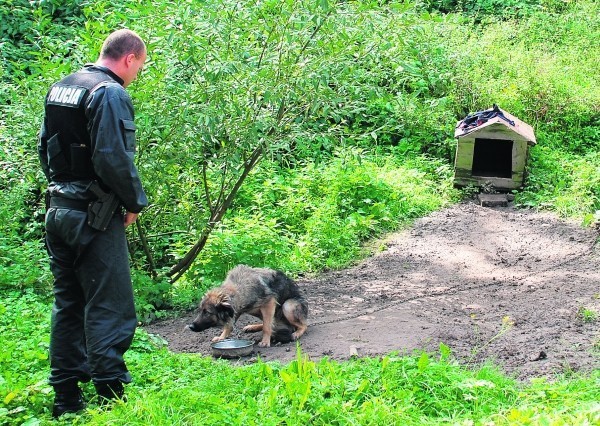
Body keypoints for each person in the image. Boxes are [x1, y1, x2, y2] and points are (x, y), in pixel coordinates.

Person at [37, 29, 148, 418]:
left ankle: (66, 400)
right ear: (129, 58)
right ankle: (111, 400)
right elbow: (111, 157)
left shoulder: (62, 87)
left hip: (58, 210)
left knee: (68, 303)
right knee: (110, 305)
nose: (136, 75)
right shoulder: (109, 92)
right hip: (93, 215)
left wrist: (62, 191)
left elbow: (44, 146)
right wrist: (134, 200)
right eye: (140, 67)